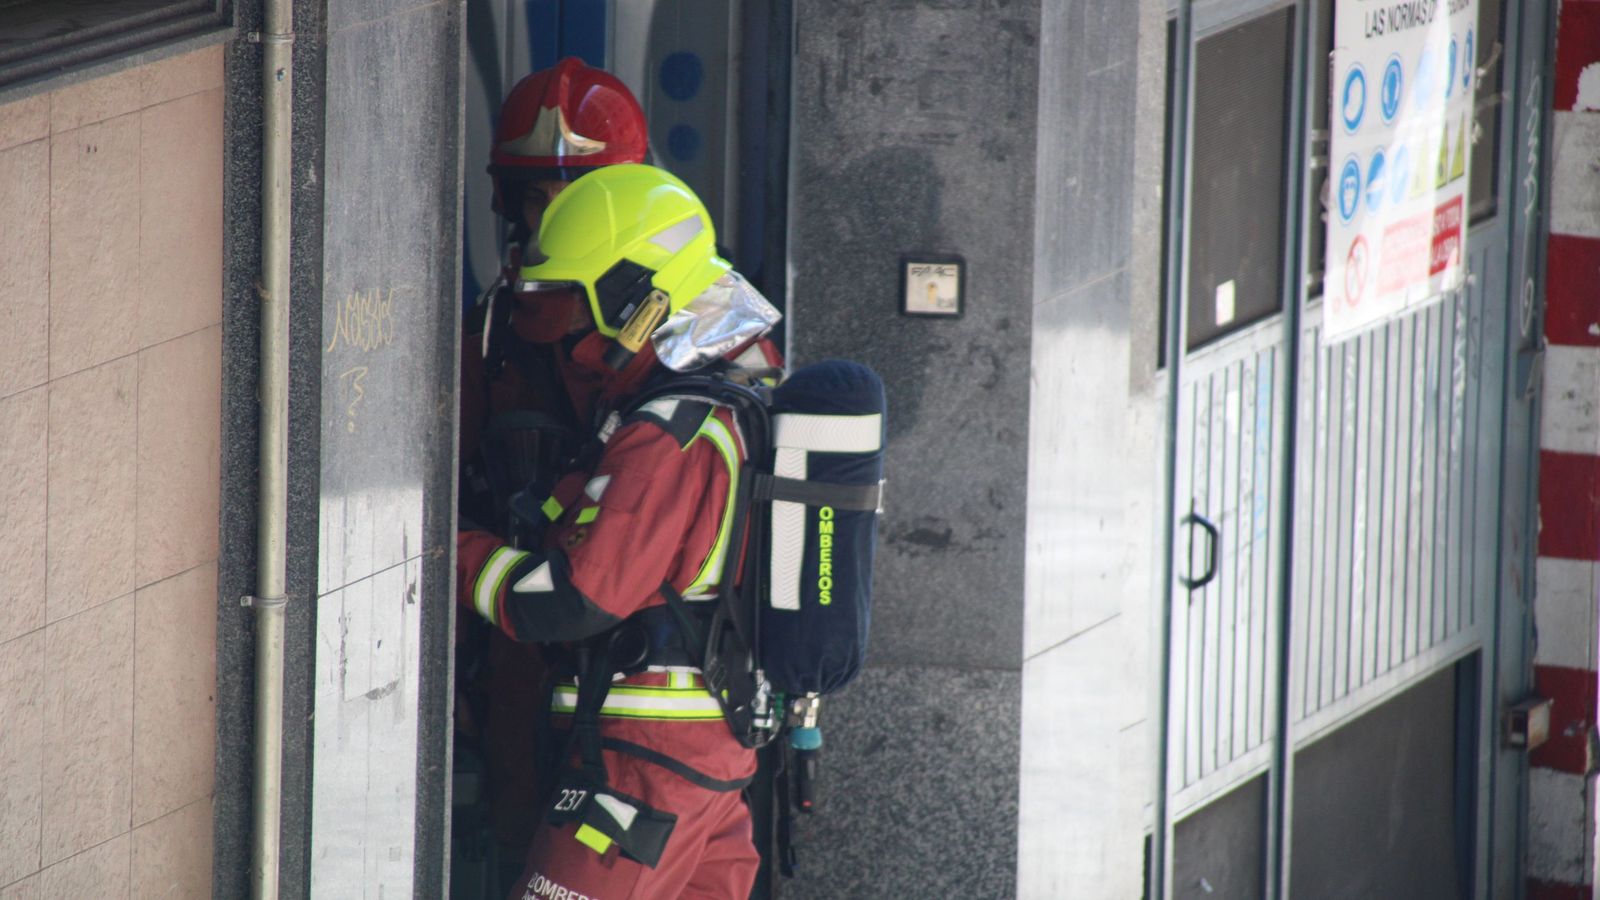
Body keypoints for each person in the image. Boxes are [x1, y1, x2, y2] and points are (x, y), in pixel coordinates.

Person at [457, 163, 782, 900]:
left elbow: (571, 600)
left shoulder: (667, 431)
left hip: (645, 770)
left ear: (634, 298)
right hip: (697, 763)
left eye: (576, 302)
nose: (564, 328)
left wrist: (441, 551)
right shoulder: (731, 395)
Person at [456, 57, 650, 892]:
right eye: (537, 200)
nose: (550, 223)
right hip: (519, 662)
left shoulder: (695, 333)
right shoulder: (495, 332)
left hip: (655, 687)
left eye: (576, 202)